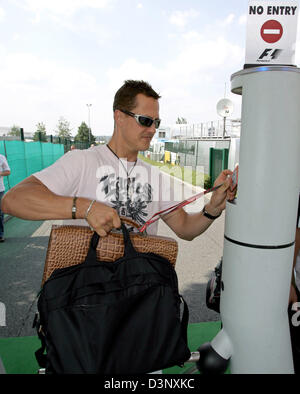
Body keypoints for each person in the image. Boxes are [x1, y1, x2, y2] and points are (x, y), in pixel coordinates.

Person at [1, 80, 235, 240]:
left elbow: (185, 229)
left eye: (157, 122)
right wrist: (85, 207)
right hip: (86, 302)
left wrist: (212, 208)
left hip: (138, 299)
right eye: (145, 120)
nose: (153, 129)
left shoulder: (156, 177)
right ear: (119, 116)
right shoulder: (80, 161)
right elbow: (13, 200)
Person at [0, 154, 11, 242]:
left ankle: (0, 235)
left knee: (0, 213)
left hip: (0, 190)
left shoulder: (1, 157)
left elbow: (8, 171)